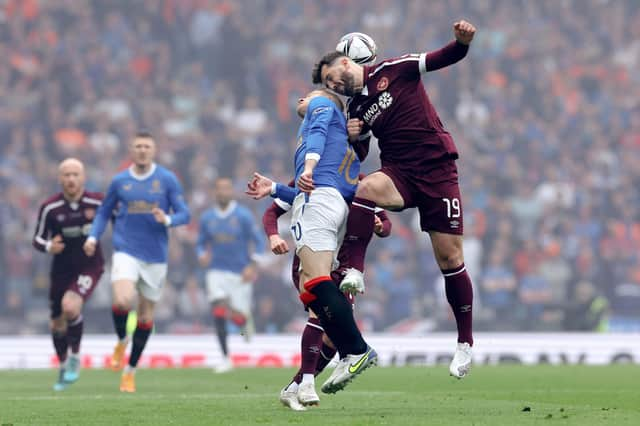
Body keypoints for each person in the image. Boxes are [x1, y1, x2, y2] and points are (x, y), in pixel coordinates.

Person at [312, 20, 477, 378]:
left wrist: (461, 42)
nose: (333, 86)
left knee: (451, 259)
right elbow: (360, 154)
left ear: (345, 61)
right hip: (400, 172)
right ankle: (355, 267)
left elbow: (442, 58)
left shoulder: (394, 70)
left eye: (331, 78)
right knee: (366, 187)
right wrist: (357, 136)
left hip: (437, 170)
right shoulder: (355, 109)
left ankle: (465, 343)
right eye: (327, 86)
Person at [246, 88, 377, 400]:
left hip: (322, 222)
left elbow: (315, 175)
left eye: (311, 93)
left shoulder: (322, 111)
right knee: (312, 289)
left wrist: (306, 167)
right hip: (330, 218)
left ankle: (355, 351)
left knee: (316, 285)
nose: (303, 97)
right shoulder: (344, 154)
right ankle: (303, 383)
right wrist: (276, 187)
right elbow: (324, 193)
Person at [261, 177, 391, 411]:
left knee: (333, 334)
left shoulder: (365, 184)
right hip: (310, 257)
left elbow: (386, 224)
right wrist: (273, 235)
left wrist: (379, 226)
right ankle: (307, 383)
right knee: (318, 316)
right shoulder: (308, 178)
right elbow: (271, 213)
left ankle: (294, 387)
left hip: (343, 266)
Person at [83, 131, 191, 392]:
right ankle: (121, 340)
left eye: (147, 146)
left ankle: (130, 371)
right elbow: (104, 212)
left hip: (155, 256)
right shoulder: (120, 181)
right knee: (121, 300)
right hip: (126, 249)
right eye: (138, 146)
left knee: (145, 318)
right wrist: (93, 237)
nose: (142, 150)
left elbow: (184, 214)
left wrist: (167, 220)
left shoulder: (166, 179)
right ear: (131, 150)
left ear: (153, 150)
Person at [32, 158, 104, 391]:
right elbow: (37, 239)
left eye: (75, 174)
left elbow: (118, 220)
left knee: (70, 307)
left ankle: (75, 357)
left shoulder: (97, 202)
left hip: (89, 266)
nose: (71, 179)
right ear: (60, 178)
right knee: (57, 324)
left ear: (83, 177)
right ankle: (63, 366)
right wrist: (48, 247)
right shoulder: (50, 208)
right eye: (66, 175)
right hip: (61, 269)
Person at [196, 176, 265, 373]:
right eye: (219, 189)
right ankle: (225, 358)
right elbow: (201, 242)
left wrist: (252, 265)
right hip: (216, 271)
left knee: (237, 317)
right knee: (217, 309)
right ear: (214, 192)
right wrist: (201, 254)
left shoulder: (242, 216)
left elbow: (258, 241)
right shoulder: (207, 218)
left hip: (239, 273)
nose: (222, 192)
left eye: (226, 188)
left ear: (231, 191)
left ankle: (244, 318)